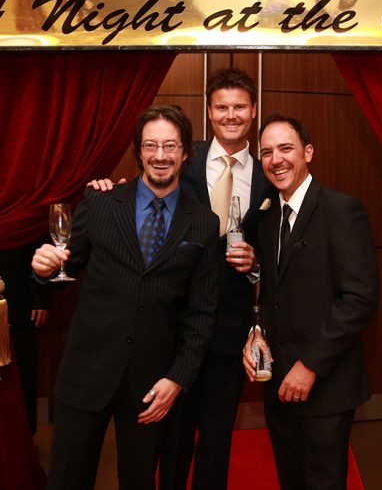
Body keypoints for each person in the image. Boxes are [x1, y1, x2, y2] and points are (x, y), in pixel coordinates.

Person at [90, 68, 275, 490]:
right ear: (209, 112)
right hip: (172, 326)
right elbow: (140, 199)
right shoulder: (180, 156)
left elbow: (274, 251)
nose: (231, 115)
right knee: (171, 440)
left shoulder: (269, 174)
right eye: (222, 107)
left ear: (253, 110)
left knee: (216, 440)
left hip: (229, 329)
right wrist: (106, 190)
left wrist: (256, 263)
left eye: (239, 107)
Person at [32, 105, 220, 490]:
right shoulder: (100, 202)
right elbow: (64, 268)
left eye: (170, 145)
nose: (160, 155)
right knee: (67, 480)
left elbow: (202, 314)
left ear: (186, 152)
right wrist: (43, 271)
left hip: (152, 385)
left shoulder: (203, 223)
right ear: (138, 151)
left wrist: (177, 379)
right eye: (150, 145)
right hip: (86, 373)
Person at [243, 112, 378, 490]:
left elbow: (359, 300)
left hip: (325, 387)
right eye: (267, 152)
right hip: (278, 385)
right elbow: (273, 294)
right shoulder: (268, 217)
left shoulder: (341, 210)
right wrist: (257, 331)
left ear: (308, 152)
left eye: (286, 148)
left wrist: (311, 365)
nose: (276, 160)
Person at [0, 239, 51, 435]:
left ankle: (25, 437)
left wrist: (41, 298)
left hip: (20, 302)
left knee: (22, 376)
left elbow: (40, 247)